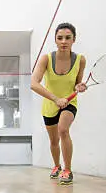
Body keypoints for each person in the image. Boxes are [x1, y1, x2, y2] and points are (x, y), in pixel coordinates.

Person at [31, 23, 87, 184]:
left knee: (63, 130)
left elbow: (77, 83)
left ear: (74, 40)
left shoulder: (80, 60)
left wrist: (79, 87)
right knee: (54, 141)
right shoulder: (46, 59)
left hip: (70, 102)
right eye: (60, 38)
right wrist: (55, 99)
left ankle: (68, 170)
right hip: (50, 104)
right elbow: (34, 83)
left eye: (68, 38)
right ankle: (57, 166)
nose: (64, 41)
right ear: (55, 40)